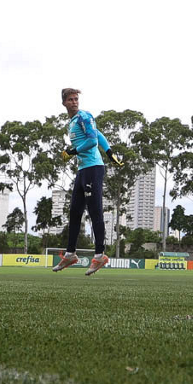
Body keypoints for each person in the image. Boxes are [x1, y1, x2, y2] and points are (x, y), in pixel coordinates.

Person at [51, 88, 121, 276]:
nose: (74, 102)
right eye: (70, 99)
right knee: (74, 212)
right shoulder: (72, 122)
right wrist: (109, 152)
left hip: (93, 168)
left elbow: (92, 140)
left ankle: (100, 255)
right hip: (82, 170)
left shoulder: (84, 116)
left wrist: (73, 151)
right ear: (64, 103)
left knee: (95, 211)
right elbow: (98, 134)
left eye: (76, 99)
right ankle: (70, 254)